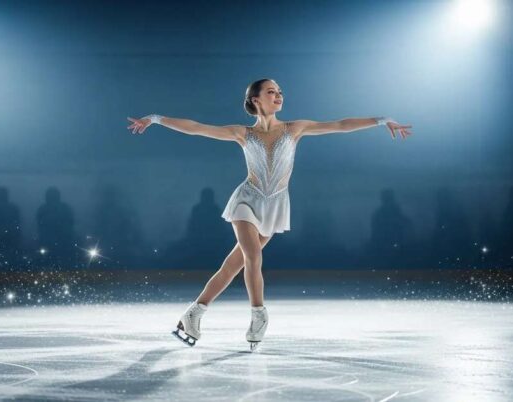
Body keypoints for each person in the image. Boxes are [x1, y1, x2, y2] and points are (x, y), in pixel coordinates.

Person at [127, 78, 412, 351]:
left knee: (232, 265)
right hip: (246, 200)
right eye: (271, 92)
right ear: (255, 99)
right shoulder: (243, 133)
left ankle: (195, 312)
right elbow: (197, 127)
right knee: (253, 257)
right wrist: (155, 118)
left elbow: (339, 125)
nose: (278, 96)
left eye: (280, 92)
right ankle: (259, 313)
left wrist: (382, 120)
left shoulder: (295, 128)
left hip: (274, 205)